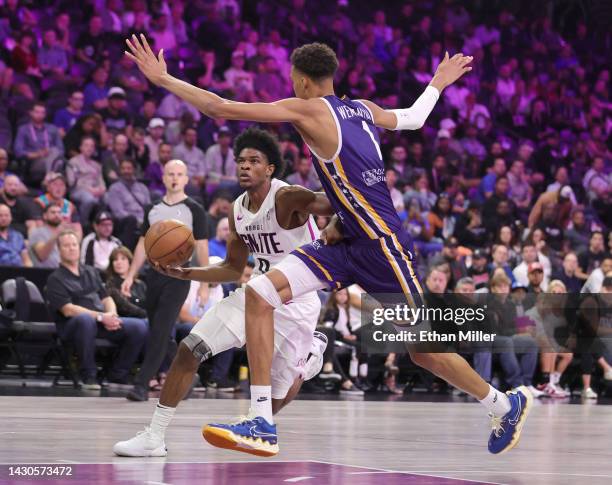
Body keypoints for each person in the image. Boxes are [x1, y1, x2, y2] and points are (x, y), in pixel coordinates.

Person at [126, 36, 528, 456]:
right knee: (259, 294)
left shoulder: (306, 108)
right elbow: (411, 118)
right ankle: (260, 419)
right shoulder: (363, 108)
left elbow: (221, 107)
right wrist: (437, 83)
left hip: (382, 246)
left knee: (423, 351)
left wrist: (163, 78)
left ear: (301, 81)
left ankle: (503, 403)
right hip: (343, 238)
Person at [113, 127, 332, 457]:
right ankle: (154, 436)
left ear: (270, 168)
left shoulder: (286, 196)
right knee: (189, 349)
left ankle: (307, 359)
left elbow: (328, 203)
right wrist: (185, 271)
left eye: (254, 161)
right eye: (240, 160)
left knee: (278, 395)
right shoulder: (237, 210)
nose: (244, 166)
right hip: (257, 292)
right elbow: (231, 268)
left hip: (296, 301)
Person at [120, 159, 210, 402]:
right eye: (171, 173)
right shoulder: (152, 208)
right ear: (163, 177)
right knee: (160, 333)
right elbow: (142, 243)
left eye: (180, 174)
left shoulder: (195, 209)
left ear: (186, 179)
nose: (175, 178)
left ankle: (141, 385)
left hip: (179, 276)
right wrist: (131, 275)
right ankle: (189, 377)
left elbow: (202, 247)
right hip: (154, 275)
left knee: (160, 331)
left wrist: (204, 283)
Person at [46, 230, 148, 389]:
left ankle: (118, 374)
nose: (72, 248)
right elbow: (68, 310)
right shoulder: (55, 279)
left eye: (74, 245)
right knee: (85, 320)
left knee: (139, 326)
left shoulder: (91, 271)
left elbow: (106, 298)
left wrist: (111, 315)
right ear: (59, 250)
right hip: (72, 326)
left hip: (100, 322)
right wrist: (101, 317)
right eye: (66, 246)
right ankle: (89, 375)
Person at [14, 103, 64, 186]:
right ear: (31, 113)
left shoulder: (53, 129)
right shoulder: (23, 129)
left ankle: (48, 178)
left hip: (53, 159)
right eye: (37, 112)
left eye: (42, 112)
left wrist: (49, 153)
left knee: (55, 151)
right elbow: (18, 151)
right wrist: (37, 154)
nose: (40, 115)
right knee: (54, 156)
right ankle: (51, 178)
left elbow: (61, 149)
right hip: (34, 163)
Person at [105, 159, 151, 249]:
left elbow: (149, 208)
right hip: (126, 222)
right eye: (123, 168)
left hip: (143, 221)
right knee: (131, 221)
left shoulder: (142, 187)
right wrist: (138, 221)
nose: (126, 171)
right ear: (120, 171)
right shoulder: (114, 188)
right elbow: (118, 213)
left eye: (129, 168)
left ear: (134, 170)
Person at [34, 172, 83, 240]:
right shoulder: (39, 202)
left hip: (66, 240)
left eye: (62, 185)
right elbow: (39, 226)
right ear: (48, 187)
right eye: (55, 184)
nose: (59, 188)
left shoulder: (70, 206)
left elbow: (78, 228)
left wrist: (74, 243)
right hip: (47, 240)